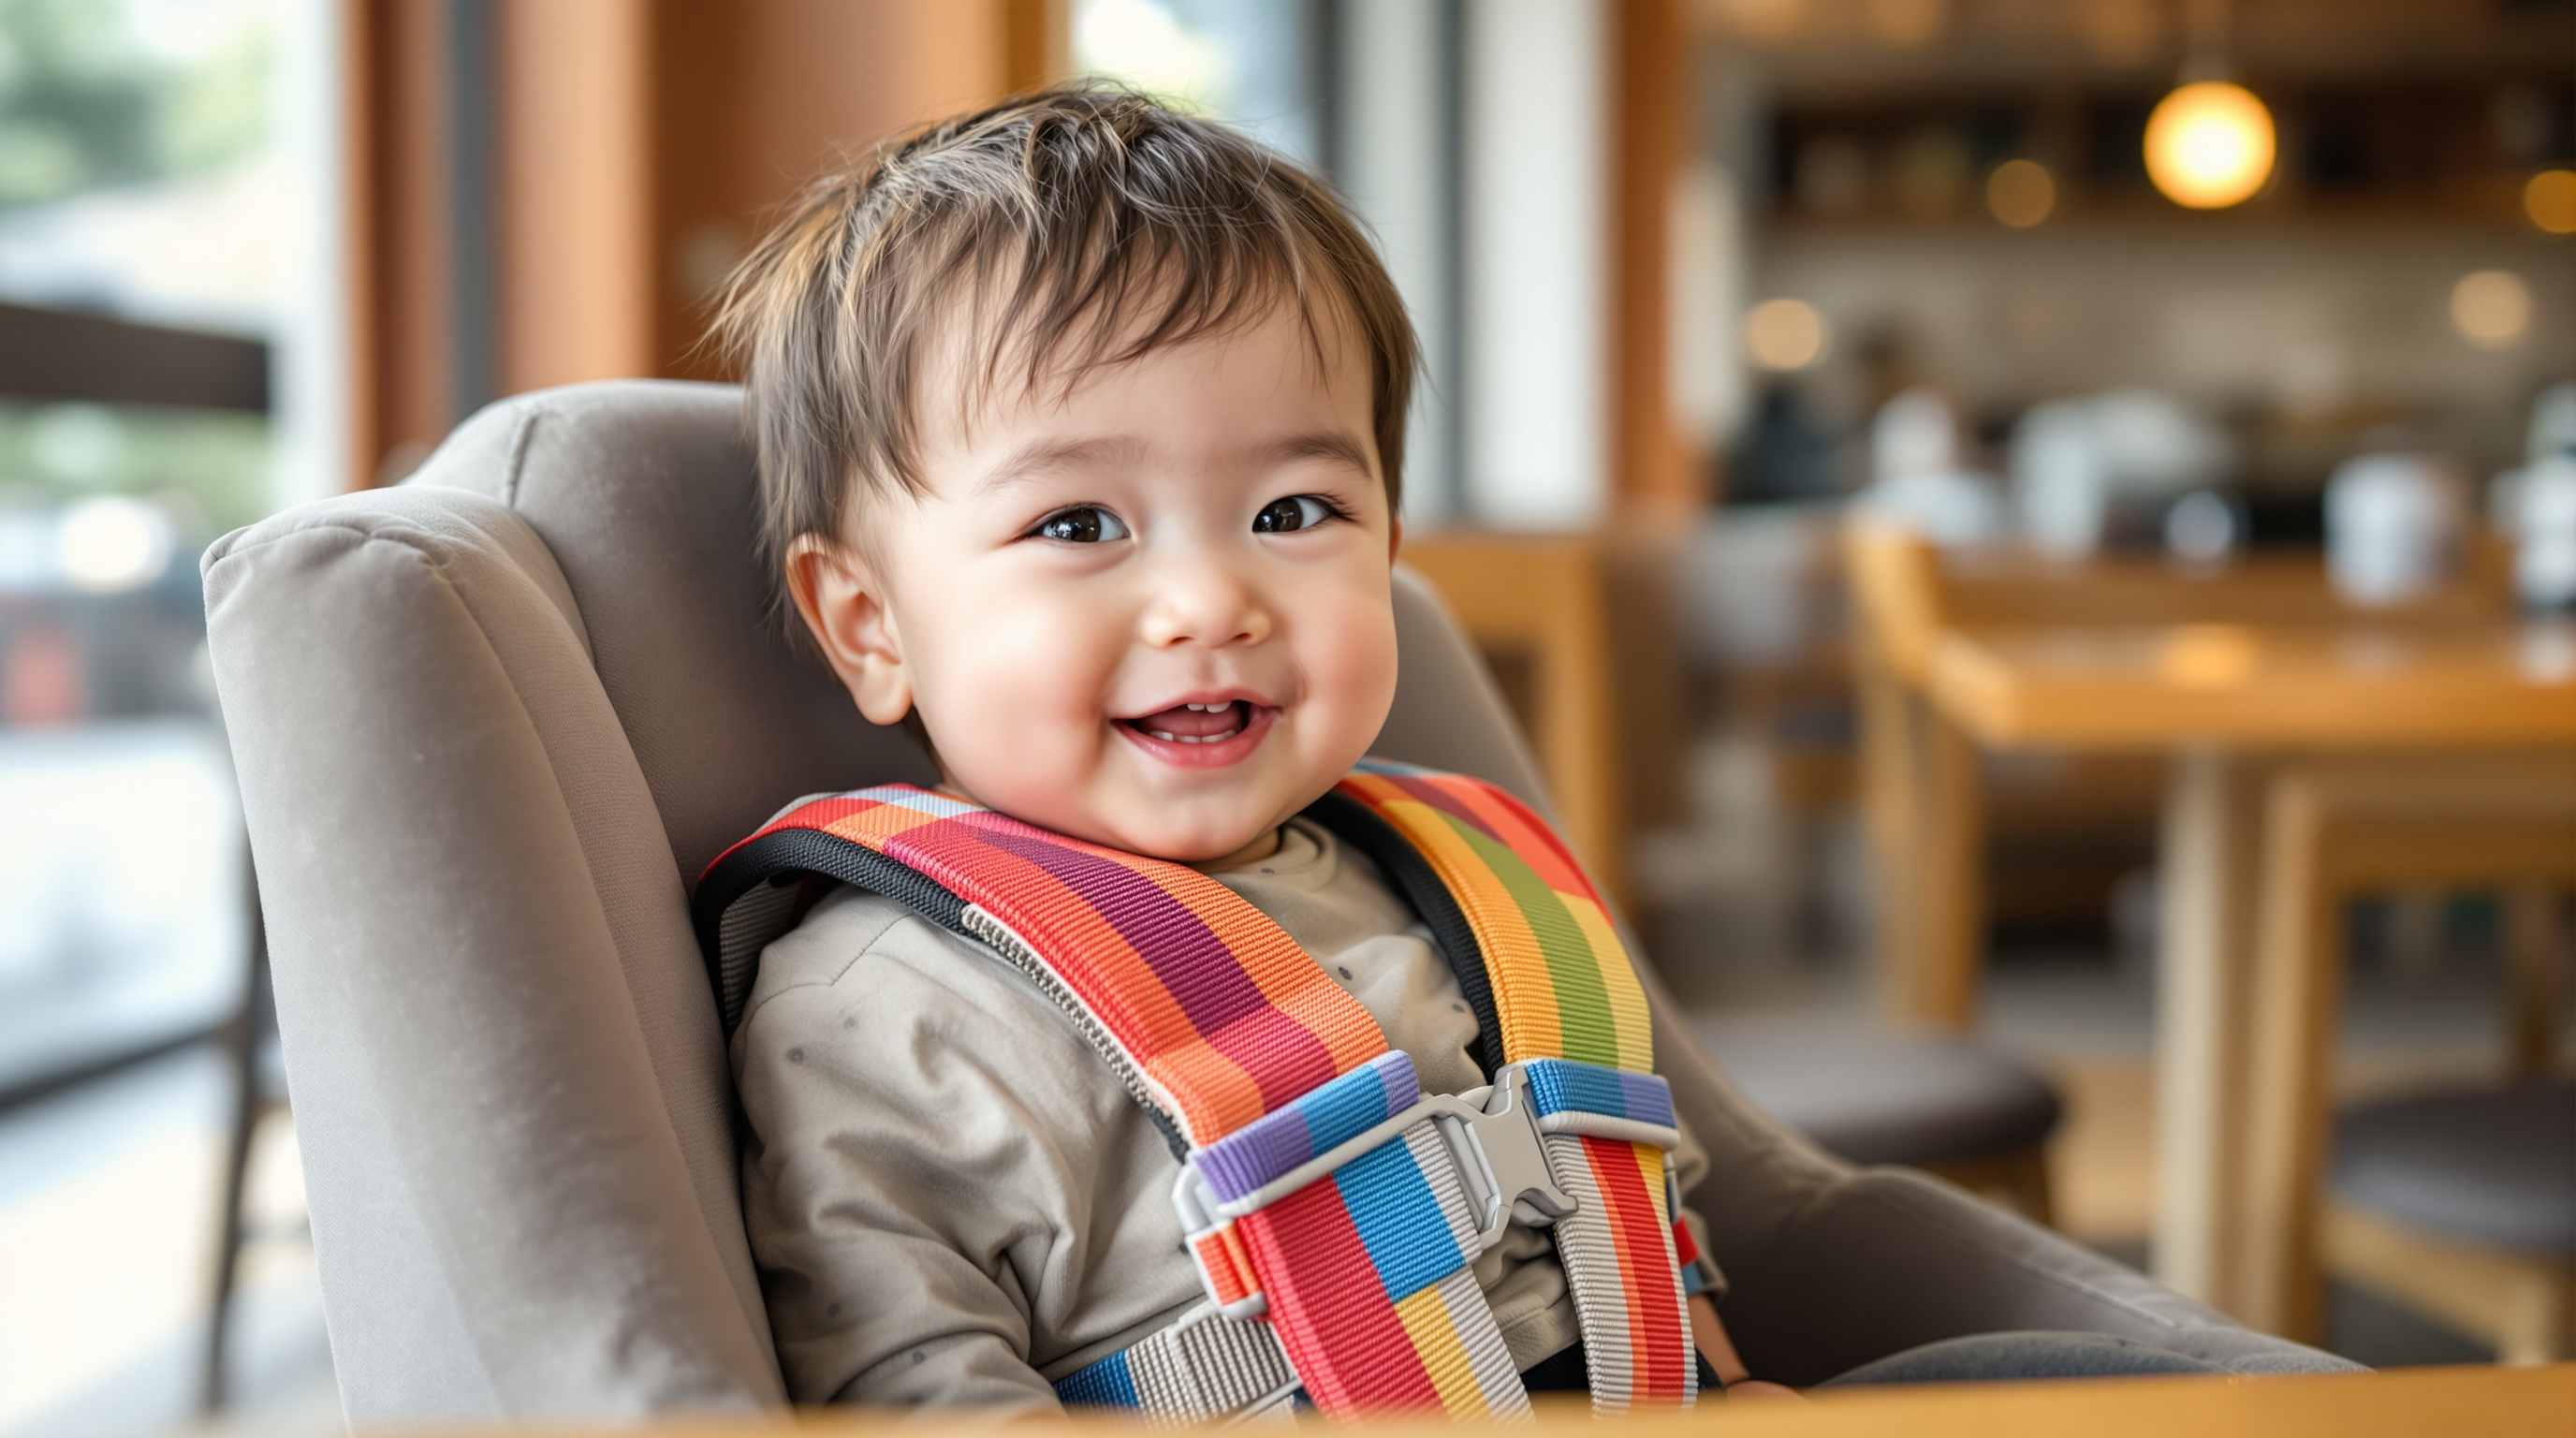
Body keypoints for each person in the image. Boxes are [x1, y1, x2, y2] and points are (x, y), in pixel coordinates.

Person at [711, 84, 2217, 1414]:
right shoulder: (887, 1008)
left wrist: (1725, 1378)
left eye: (1295, 512)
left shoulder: (1459, 870)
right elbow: (902, 1384)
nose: (1211, 600)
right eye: (1078, 525)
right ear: (869, 625)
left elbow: (1628, 1205)